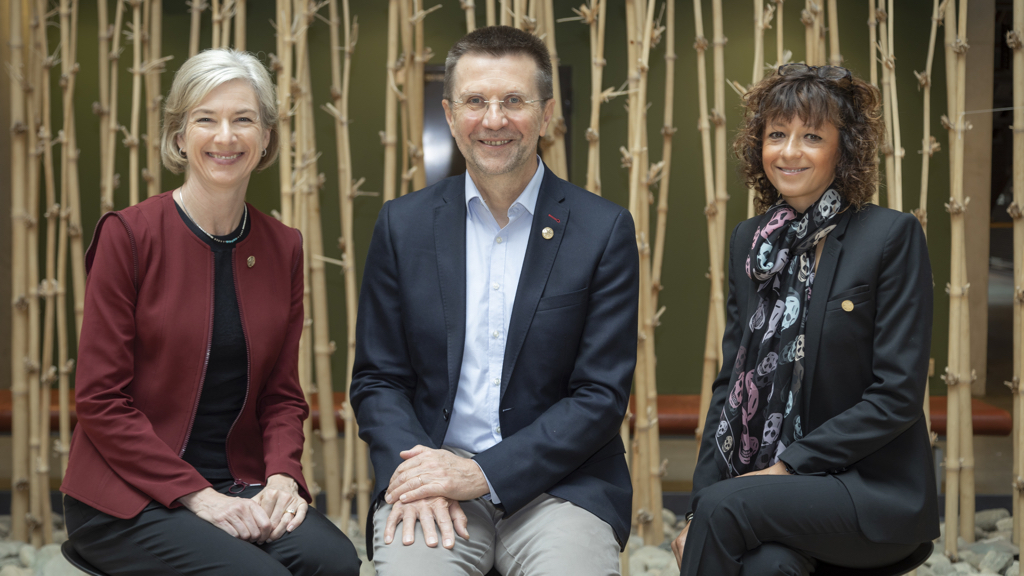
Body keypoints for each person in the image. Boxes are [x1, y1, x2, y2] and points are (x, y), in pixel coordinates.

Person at [351, 25, 638, 576]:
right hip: (434, 468)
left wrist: (484, 474)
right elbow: (378, 380)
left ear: (546, 112)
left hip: (564, 482)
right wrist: (418, 475)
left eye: (514, 101)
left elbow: (600, 395)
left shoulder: (602, 230)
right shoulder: (402, 225)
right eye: (475, 101)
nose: (494, 119)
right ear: (449, 112)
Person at [60, 49, 360, 576]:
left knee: (333, 561)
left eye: (243, 119)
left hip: (237, 482)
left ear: (265, 136)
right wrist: (198, 496)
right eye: (206, 119)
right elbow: (100, 399)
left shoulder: (283, 246)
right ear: (179, 136)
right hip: (127, 496)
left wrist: (283, 479)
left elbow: (282, 395)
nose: (226, 137)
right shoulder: (129, 236)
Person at [671, 63, 939, 575]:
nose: (789, 151)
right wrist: (696, 508)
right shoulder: (751, 242)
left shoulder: (889, 236)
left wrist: (787, 466)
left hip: (867, 491)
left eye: (811, 135)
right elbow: (730, 386)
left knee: (725, 508)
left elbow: (897, 395)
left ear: (846, 149)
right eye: (777, 134)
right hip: (773, 491)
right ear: (759, 146)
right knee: (768, 567)